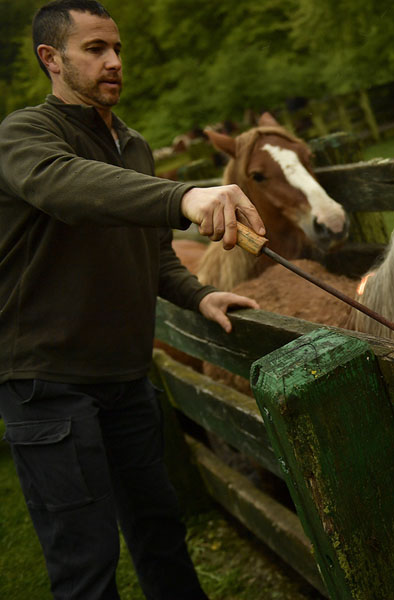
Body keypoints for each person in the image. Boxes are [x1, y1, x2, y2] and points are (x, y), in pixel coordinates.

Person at [0, 1, 268, 598]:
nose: (115, 61)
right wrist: (184, 197)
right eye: (95, 49)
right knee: (86, 560)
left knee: (161, 531)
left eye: (117, 48)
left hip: (125, 376)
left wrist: (197, 295)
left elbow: (154, 253)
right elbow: (65, 187)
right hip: (46, 381)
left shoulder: (133, 145)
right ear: (51, 58)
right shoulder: (24, 135)